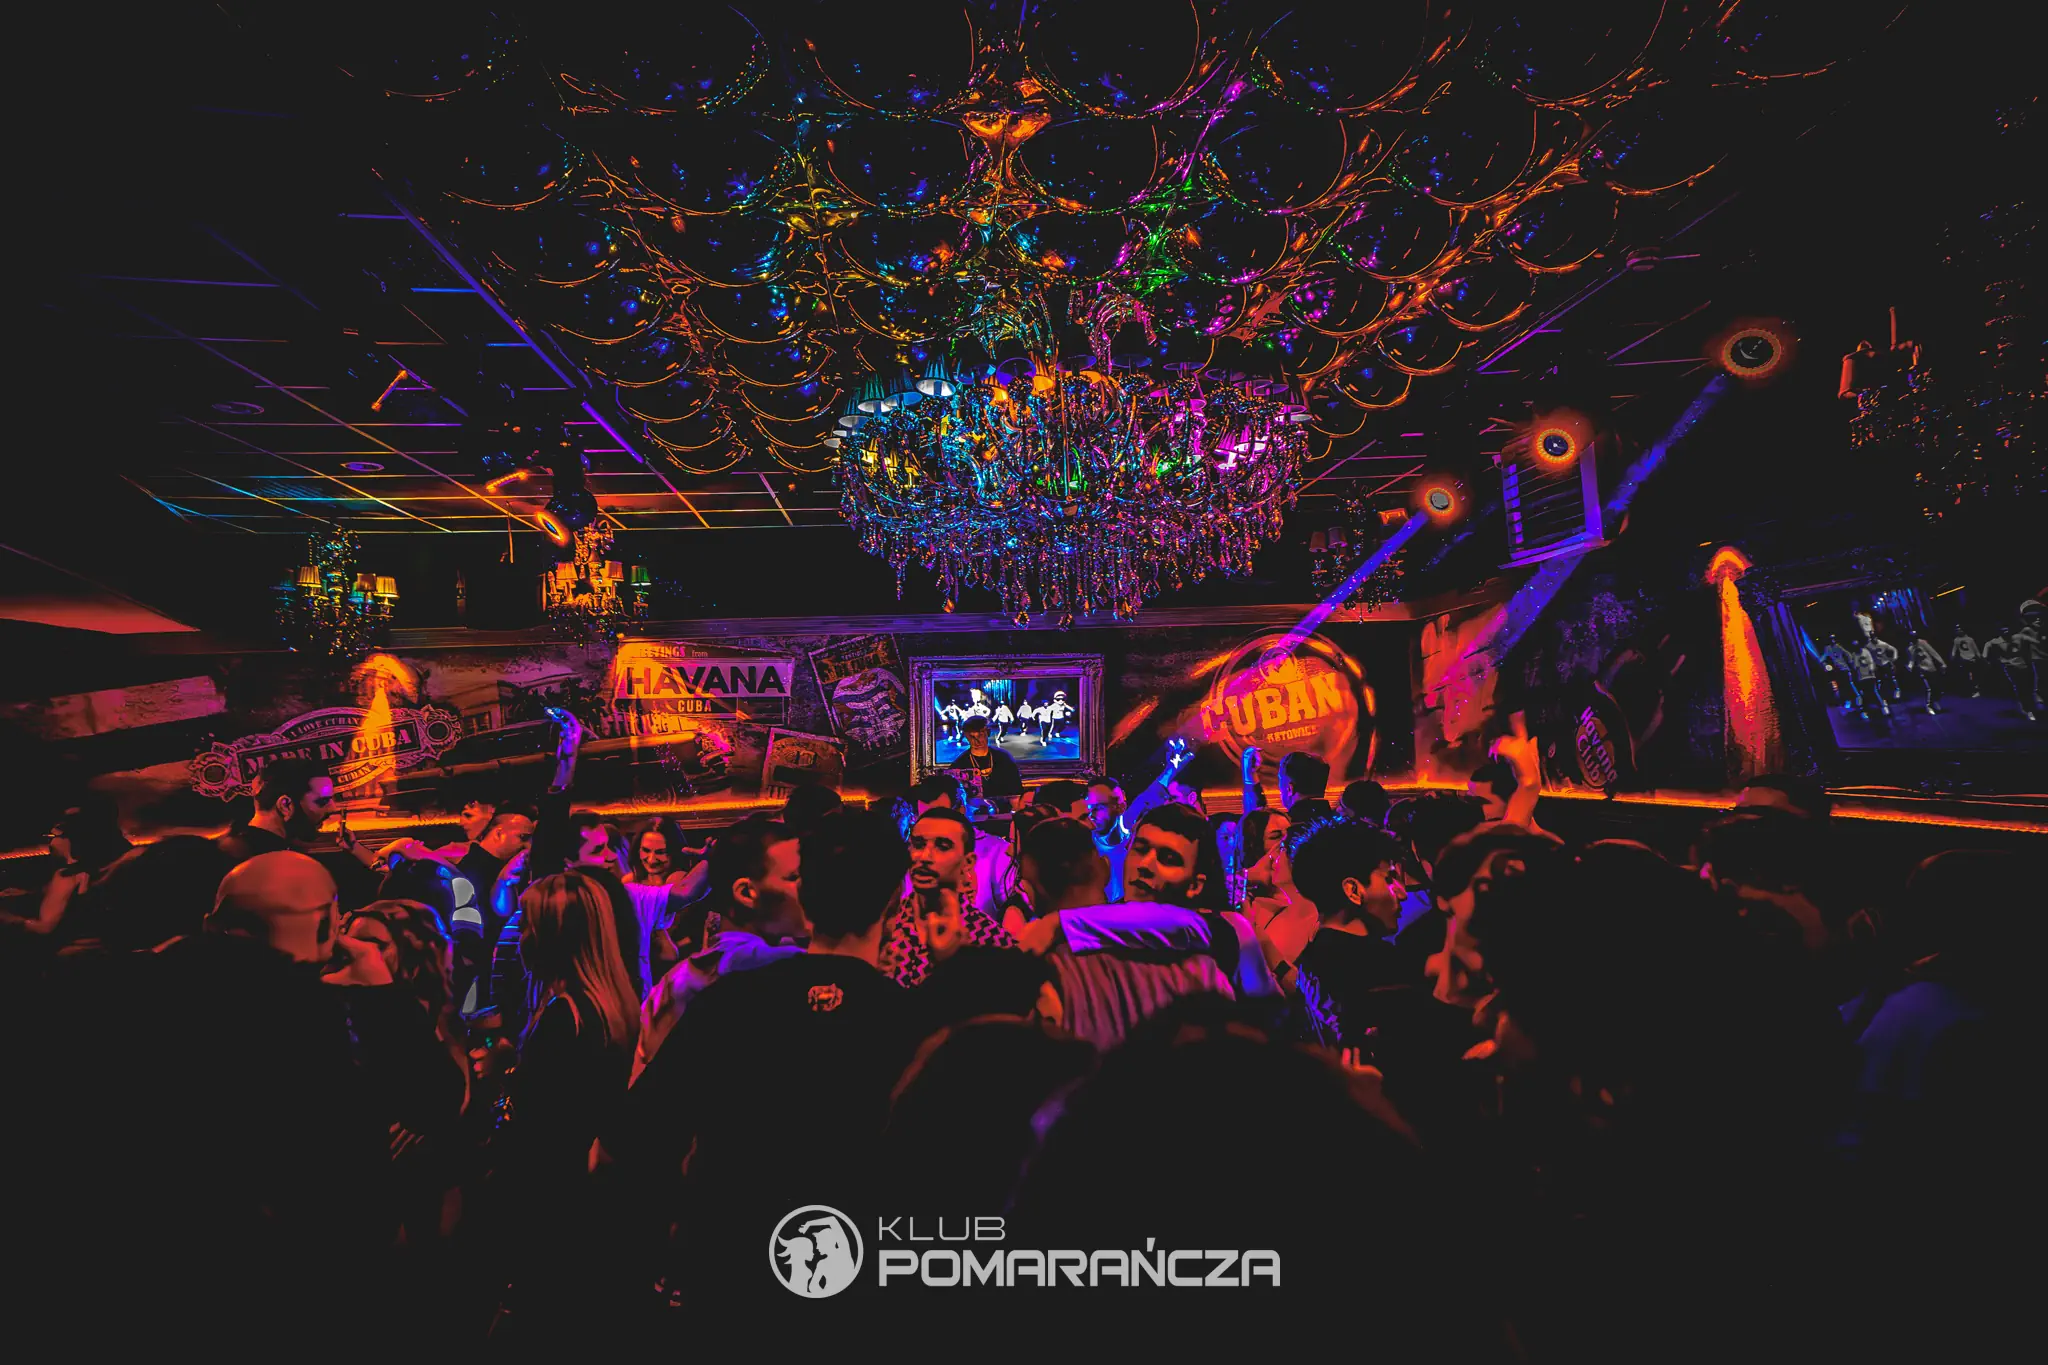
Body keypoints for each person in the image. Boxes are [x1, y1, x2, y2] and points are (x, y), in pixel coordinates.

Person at [620, 809, 922, 1317]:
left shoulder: (726, 1001)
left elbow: (631, 1142)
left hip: (729, 1279)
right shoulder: (916, 1022)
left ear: (806, 893)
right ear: (895, 902)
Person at [498, 871, 640, 1343]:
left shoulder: (568, 1016)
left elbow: (545, 1130)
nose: (518, 936)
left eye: (526, 924)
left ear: (552, 936)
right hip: (587, 1196)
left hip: (556, 1200)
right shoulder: (609, 1001)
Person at [634, 819, 806, 1077]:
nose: (810, 888)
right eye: (793, 877)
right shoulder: (773, 967)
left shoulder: (675, 981)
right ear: (746, 893)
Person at [879, 806, 1015, 987]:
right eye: (918, 844)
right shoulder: (883, 927)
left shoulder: (990, 939)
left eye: (942, 847)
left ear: (967, 862)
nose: (924, 856)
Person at [0, 794, 131, 937]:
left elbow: (44, 930)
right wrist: (29, 895)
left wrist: (8, 919)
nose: (52, 839)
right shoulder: (115, 863)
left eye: (58, 832)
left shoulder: (73, 875)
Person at [212, 758, 336, 868]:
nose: (332, 808)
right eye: (323, 801)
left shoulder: (241, 849)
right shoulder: (269, 862)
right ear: (285, 805)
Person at [947, 713, 1023, 807]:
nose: (977, 741)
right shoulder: (960, 763)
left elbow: (1015, 793)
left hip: (1004, 810)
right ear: (966, 736)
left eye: (980, 735)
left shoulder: (1004, 758)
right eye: (972, 737)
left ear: (988, 732)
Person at [629, 817, 689, 887]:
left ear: (675, 853)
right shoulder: (630, 881)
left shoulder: (681, 881)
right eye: (646, 850)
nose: (651, 860)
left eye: (660, 852)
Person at [1902, 630, 1946, 715]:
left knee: (1937, 687)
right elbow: (1912, 659)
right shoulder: (1910, 648)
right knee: (1928, 688)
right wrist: (1910, 667)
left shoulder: (1923, 643)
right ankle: (1929, 706)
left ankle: (1935, 701)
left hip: (1931, 667)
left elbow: (1933, 652)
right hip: (1922, 669)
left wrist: (1942, 663)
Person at [1949, 625, 1982, 696]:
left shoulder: (1970, 639)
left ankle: (1975, 690)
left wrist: (1979, 657)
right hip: (1963, 659)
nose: (1958, 631)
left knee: (1973, 675)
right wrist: (1952, 656)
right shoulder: (1956, 640)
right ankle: (1968, 690)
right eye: (1957, 630)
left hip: (1972, 659)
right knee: (1965, 676)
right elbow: (1954, 649)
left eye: (1960, 629)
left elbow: (1975, 649)